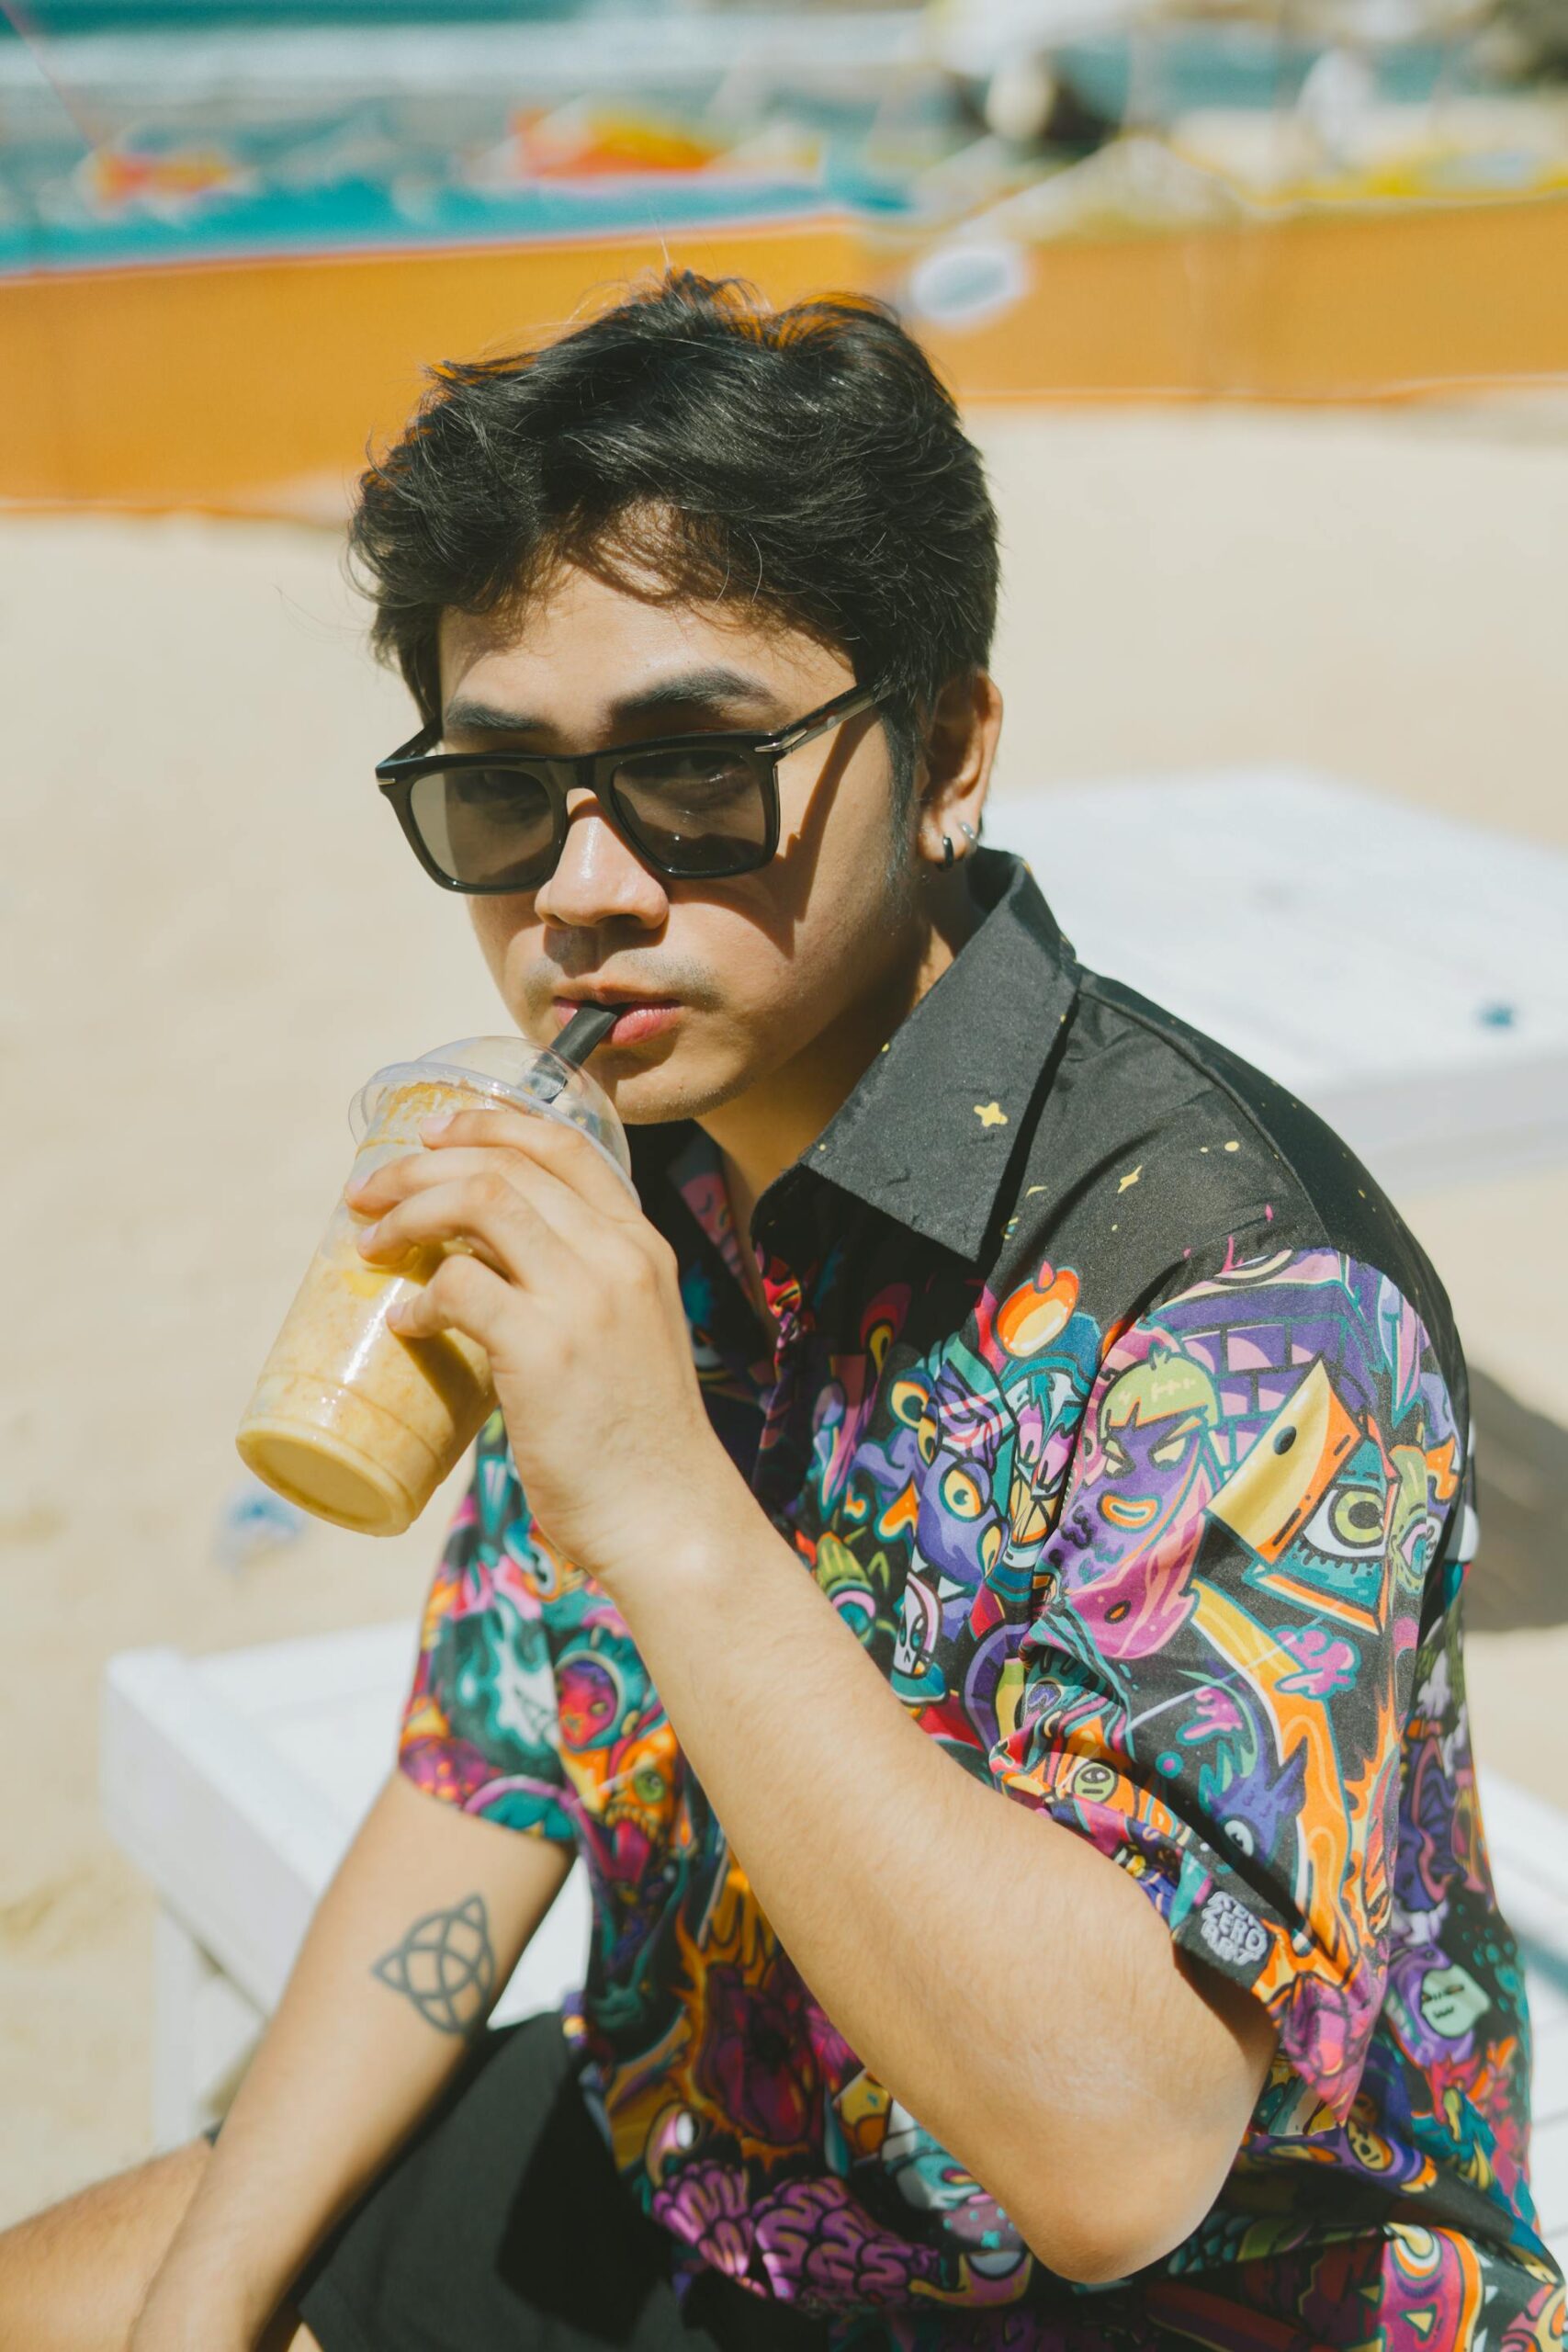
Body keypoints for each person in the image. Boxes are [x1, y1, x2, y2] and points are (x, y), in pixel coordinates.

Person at [2, 269, 1561, 2352]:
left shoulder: (1240, 1292)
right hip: (719, 2172)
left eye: (695, 769)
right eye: (495, 790)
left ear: (942, 749)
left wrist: (656, 1491)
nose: (578, 887)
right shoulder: (644, 1145)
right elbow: (493, 1768)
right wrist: (205, 2310)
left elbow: (1116, 2157)